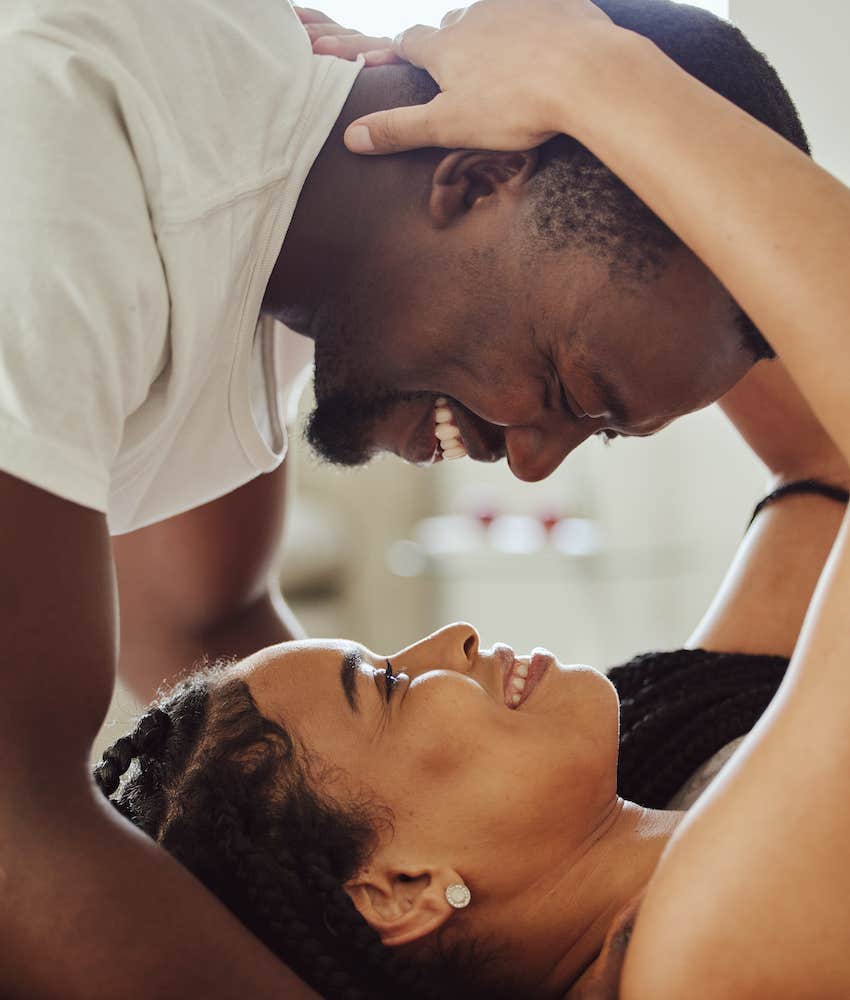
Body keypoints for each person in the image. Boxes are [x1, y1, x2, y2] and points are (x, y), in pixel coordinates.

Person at [0, 2, 830, 998]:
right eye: (567, 394)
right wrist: (601, 84)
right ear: (474, 178)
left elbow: (202, 624)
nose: (531, 467)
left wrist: (606, 92)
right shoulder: (51, 158)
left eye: (594, 422)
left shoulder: (652, 754)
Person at [94, 351, 850, 999]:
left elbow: (823, 460)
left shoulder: (672, 749)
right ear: (403, 889)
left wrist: (653, 249)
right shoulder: (701, 961)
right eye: (388, 687)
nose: (452, 638)